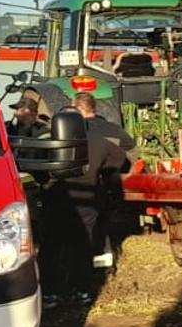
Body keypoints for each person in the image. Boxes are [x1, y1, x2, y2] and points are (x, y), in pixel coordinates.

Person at [51, 93, 134, 304]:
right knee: (83, 244)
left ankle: (52, 291)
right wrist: (103, 174)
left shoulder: (49, 141)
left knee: (54, 245)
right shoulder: (99, 141)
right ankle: (82, 290)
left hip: (56, 198)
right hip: (87, 197)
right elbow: (121, 160)